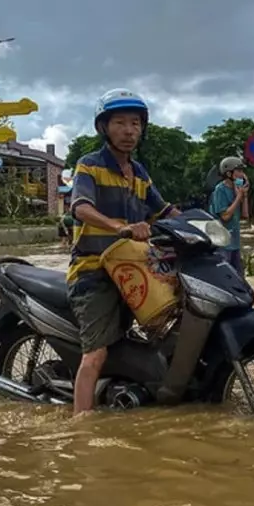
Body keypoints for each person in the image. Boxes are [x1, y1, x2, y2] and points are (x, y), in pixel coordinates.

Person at [67, 88, 180, 416]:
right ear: (104, 127)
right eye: (120, 123)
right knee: (96, 354)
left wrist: (201, 227)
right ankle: (81, 425)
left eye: (135, 123)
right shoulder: (89, 166)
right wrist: (118, 226)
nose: (129, 131)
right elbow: (81, 207)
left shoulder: (140, 173)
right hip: (93, 272)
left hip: (133, 267)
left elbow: (164, 210)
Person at [209, 156, 249, 277]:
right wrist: (238, 198)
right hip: (222, 242)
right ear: (229, 173)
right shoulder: (220, 190)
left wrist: (244, 196)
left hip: (235, 242)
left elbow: (245, 215)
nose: (242, 174)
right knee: (226, 276)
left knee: (240, 277)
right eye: (239, 171)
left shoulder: (237, 189)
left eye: (242, 171)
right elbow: (225, 216)